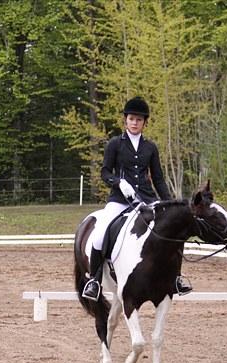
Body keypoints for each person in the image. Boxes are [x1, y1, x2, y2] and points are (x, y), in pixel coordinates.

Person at [81, 96, 192, 301]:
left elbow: (158, 178)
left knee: (171, 228)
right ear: (126, 120)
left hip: (146, 199)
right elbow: (105, 173)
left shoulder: (150, 147)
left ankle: (176, 277)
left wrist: (169, 203)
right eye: (131, 118)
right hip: (119, 199)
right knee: (99, 235)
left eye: (139, 120)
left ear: (144, 123)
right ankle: (94, 281)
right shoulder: (115, 144)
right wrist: (118, 182)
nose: (135, 122)